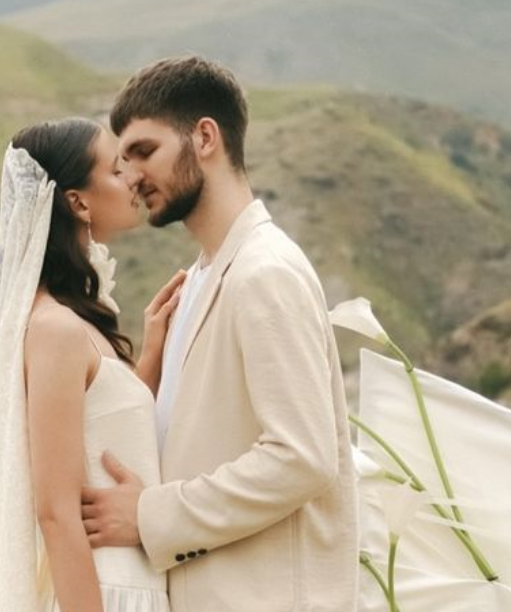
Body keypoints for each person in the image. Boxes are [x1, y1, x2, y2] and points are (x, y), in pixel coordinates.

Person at [79, 56, 359, 611]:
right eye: (125, 159)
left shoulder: (264, 272)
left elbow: (302, 457)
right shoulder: (201, 280)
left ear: (205, 137)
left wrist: (150, 516)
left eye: (144, 151)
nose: (132, 176)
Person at [0, 117, 182, 612]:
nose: (133, 178)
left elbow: (103, 434)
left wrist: (152, 353)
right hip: (103, 592)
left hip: (134, 584)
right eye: (116, 170)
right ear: (78, 202)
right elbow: (55, 511)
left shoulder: (76, 321)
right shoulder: (54, 328)